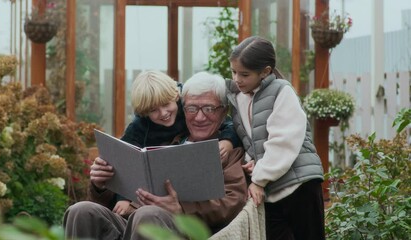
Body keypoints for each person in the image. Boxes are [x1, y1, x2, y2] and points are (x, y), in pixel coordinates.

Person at [63, 71, 247, 240]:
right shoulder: (164, 141)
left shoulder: (227, 151)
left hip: (176, 227)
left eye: (208, 109)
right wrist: (100, 185)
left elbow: (233, 200)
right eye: (192, 109)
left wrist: (181, 209)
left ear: (223, 113)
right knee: (81, 211)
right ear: (184, 109)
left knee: (148, 214)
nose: (199, 117)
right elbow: (120, 192)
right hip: (130, 222)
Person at [225, 36, 325, 239]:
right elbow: (252, 140)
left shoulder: (282, 92)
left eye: (244, 74)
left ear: (265, 72)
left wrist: (259, 179)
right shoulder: (238, 98)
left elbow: (283, 142)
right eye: (234, 72)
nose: (237, 79)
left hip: (300, 187)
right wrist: (253, 162)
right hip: (272, 192)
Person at [114, 70, 241, 215]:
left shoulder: (187, 104)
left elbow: (228, 123)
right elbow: (124, 160)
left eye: (166, 104)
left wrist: (228, 141)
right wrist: (123, 197)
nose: (163, 113)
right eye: (153, 110)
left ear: (176, 96)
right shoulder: (138, 127)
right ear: (144, 112)